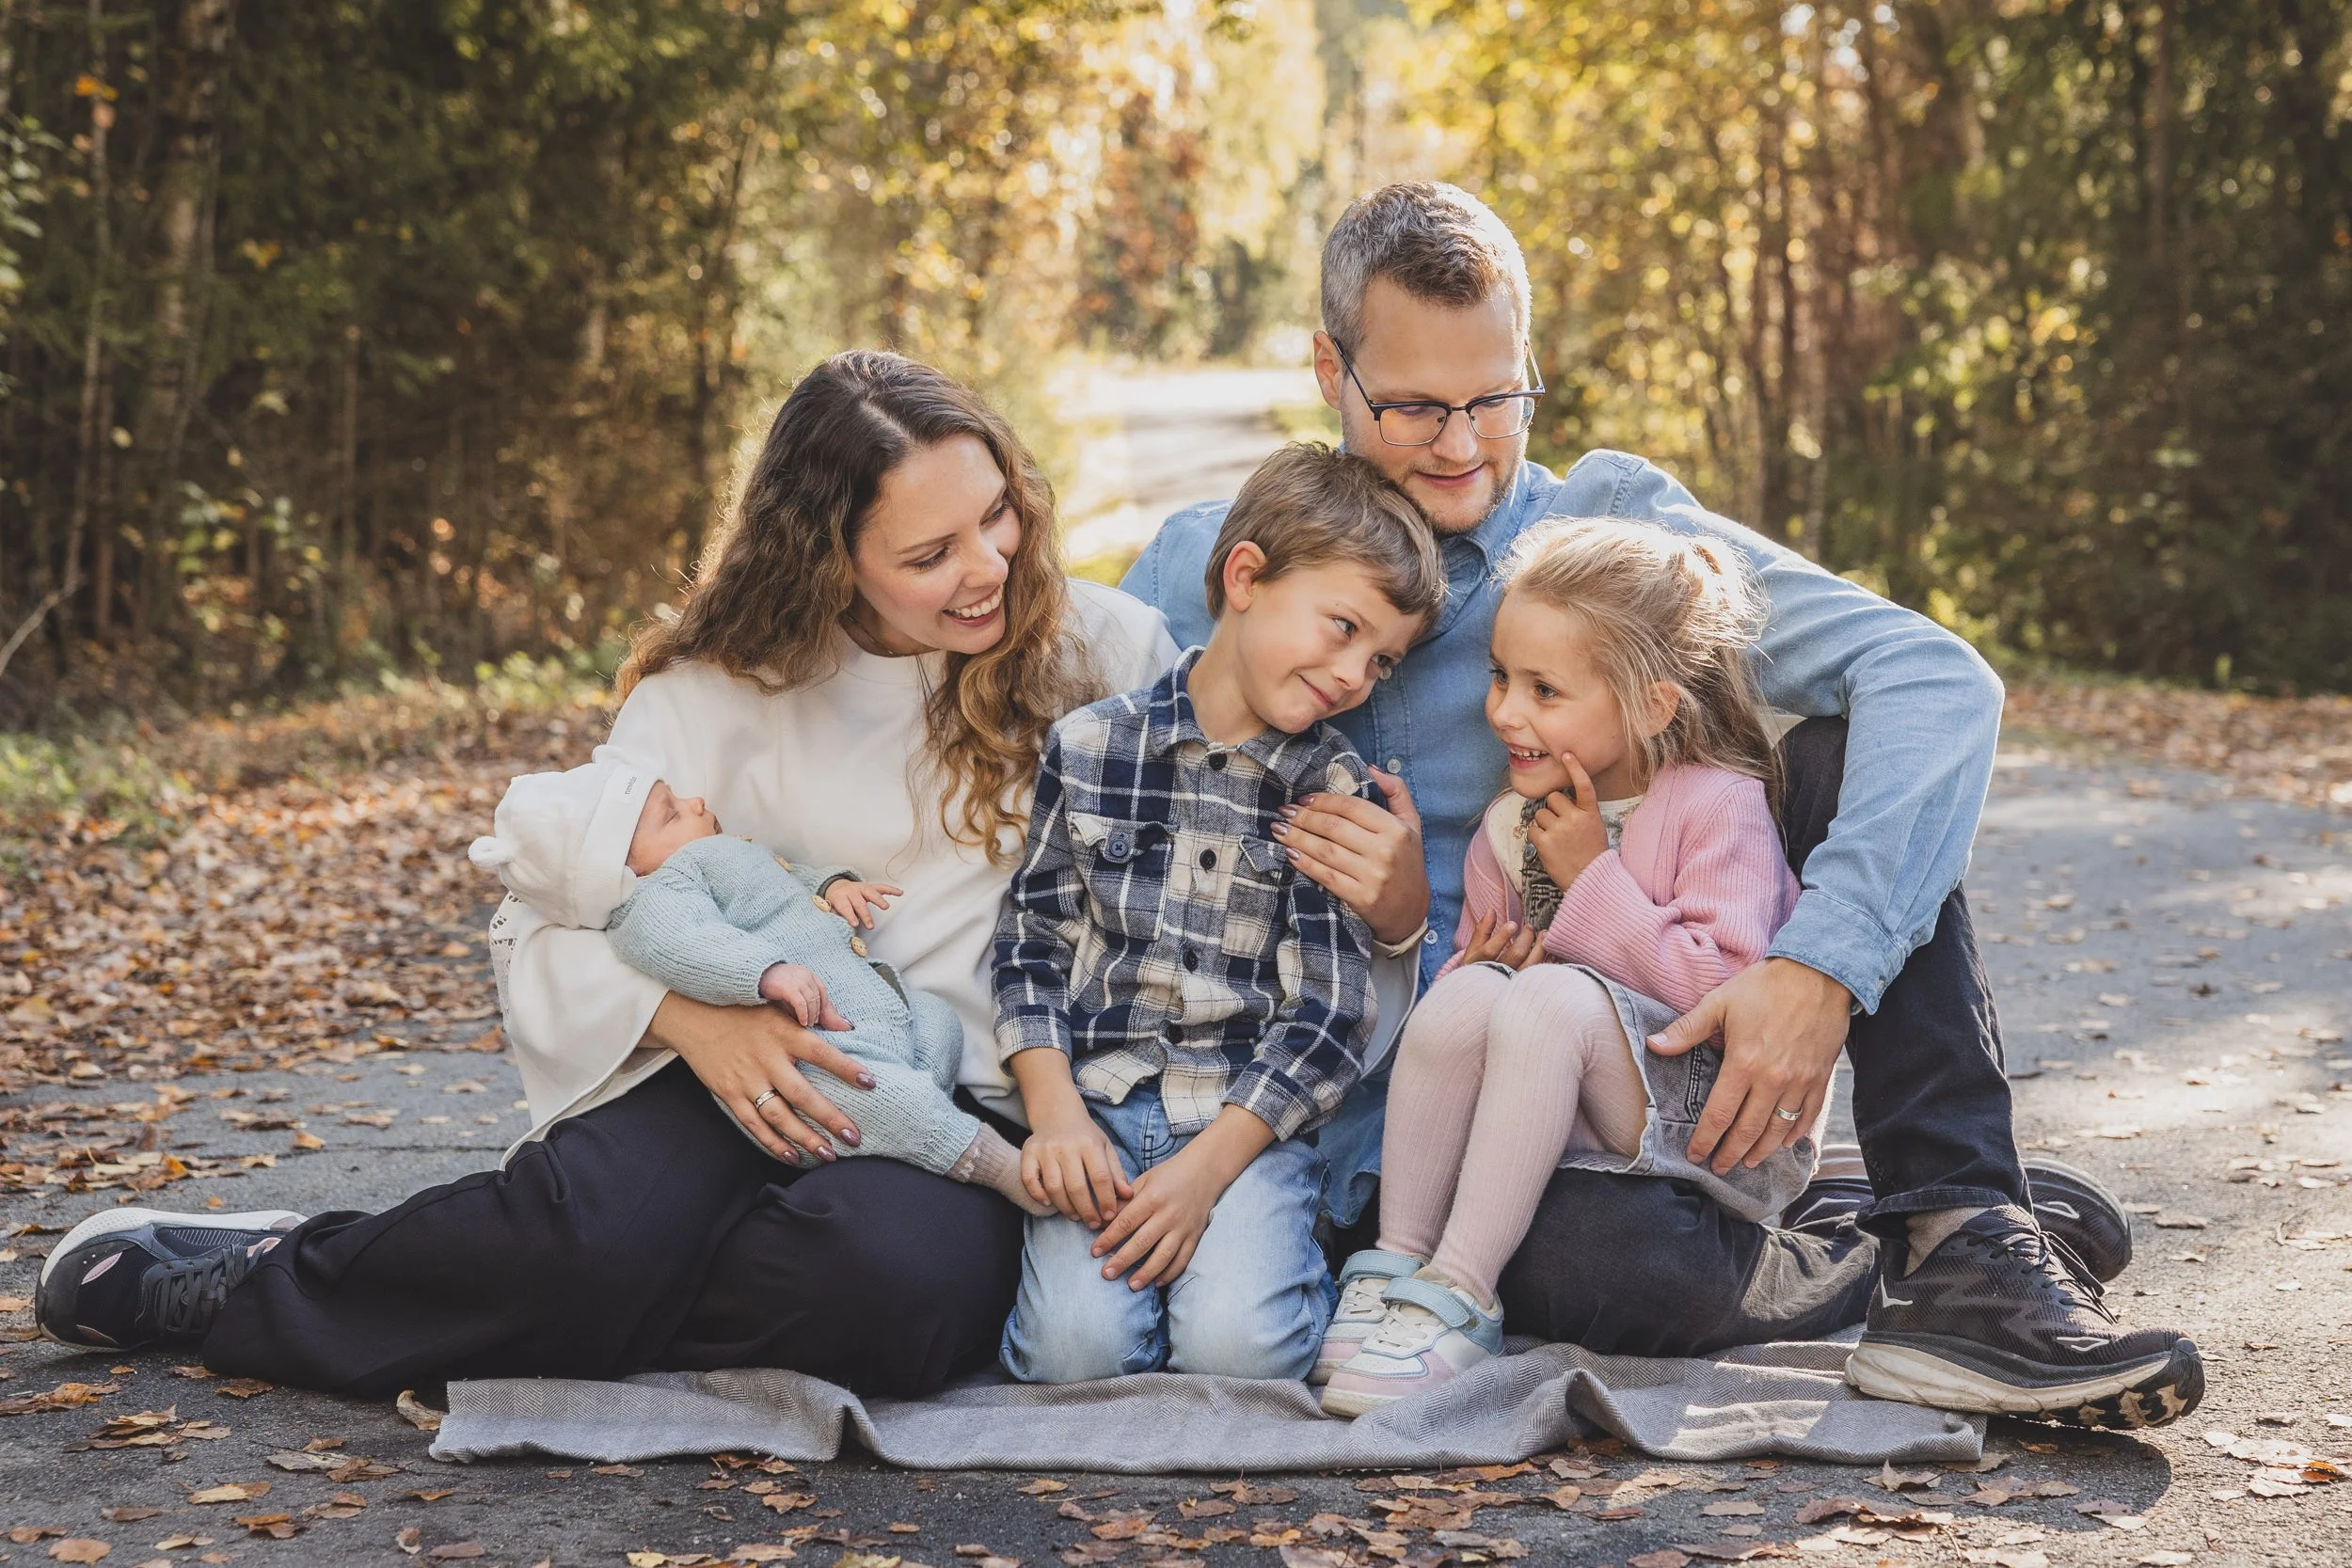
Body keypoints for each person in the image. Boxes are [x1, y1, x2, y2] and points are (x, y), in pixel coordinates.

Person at [1122, 182, 2201, 1428]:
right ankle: (1859, 1231)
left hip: (1606, 1070)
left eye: (1496, 399)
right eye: (1415, 406)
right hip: (1362, 1128)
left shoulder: (1606, 535)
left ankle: (1959, 1233)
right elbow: (1050, 781)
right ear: (1330, 370)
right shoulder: (1217, 565)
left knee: (1844, 751)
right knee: (1597, 1272)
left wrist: (1819, 965)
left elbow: (1934, 677)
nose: (1462, 445)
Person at [36, 350, 1194, 1397]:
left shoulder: (1104, 651)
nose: (989, 566)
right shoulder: (714, 692)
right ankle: (270, 1276)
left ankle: (480, 1276)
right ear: (829, 561)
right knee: (597, 1238)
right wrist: (695, 1021)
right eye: (930, 554)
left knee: (882, 1290)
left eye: (997, 515)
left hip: (961, 1094)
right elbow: (538, 920)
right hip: (726, 1061)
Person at [1318, 516, 1813, 1416]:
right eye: (1501, 677)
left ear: (1652, 706)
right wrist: (1486, 966)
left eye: (1545, 690)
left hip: (1716, 1125)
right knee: (1470, 991)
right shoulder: (1512, 824)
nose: (1507, 712)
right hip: (1573, 1126)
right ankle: (1399, 1265)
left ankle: (1462, 1296)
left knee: (1547, 996)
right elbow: (1474, 1019)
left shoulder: (1718, 805)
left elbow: (1722, 994)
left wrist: (1591, 882)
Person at [994, 443, 1442, 1384]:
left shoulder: (1331, 791)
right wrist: (1055, 1114)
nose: (1353, 673)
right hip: (1098, 1109)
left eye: (1380, 659)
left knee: (1241, 1353)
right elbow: (1030, 942)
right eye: (1342, 626)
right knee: (1069, 1356)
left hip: (1247, 1127)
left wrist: (1204, 1173)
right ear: (1245, 577)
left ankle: (1287, 1264)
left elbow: (1329, 1014)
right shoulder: (1088, 747)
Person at [465, 761, 1045, 1214]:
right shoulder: (658, 895)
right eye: (672, 814)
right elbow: (684, 944)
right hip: (820, 1048)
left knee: (937, 1018)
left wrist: (834, 887)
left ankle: (914, 1126)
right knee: (885, 1096)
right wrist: (764, 973)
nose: (696, 803)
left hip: (875, 1011)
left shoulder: (721, 854)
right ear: (625, 869)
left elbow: (784, 879)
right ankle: (996, 1165)